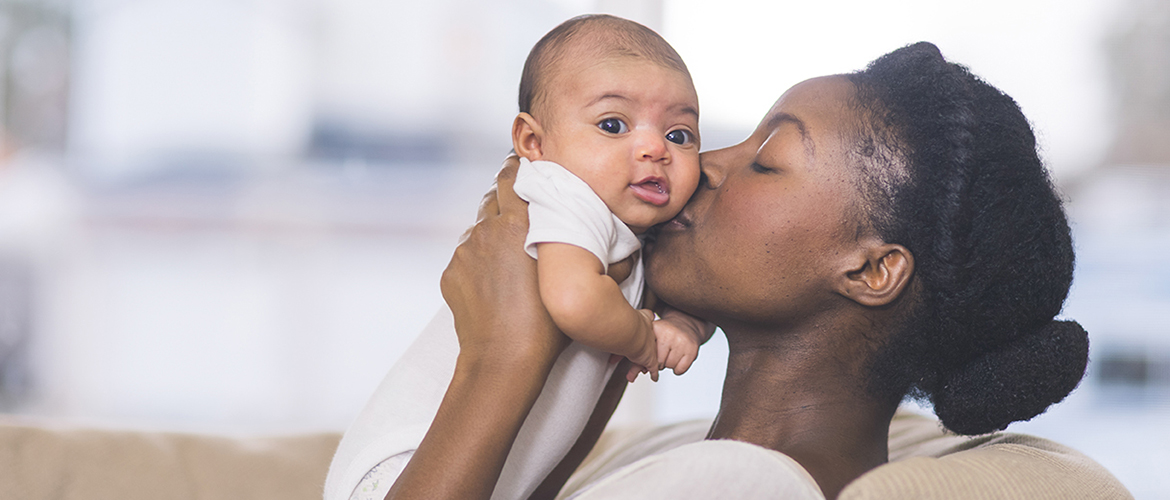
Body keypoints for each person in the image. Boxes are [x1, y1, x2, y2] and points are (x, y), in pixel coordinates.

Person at [380, 41, 1092, 500]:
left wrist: (500, 358)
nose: (704, 165)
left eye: (766, 160)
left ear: (873, 270)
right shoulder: (710, 458)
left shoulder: (740, 485)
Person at [324, 15, 713, 500]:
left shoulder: (635, 229)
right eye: (613, 125)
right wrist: (644, 339)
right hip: (404, 465)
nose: (655, 148)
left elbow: (697, 294)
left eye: (680, 135)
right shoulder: (562, 193)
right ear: (534, 143)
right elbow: (574, 299)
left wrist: (686, 327)